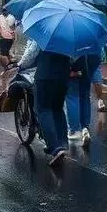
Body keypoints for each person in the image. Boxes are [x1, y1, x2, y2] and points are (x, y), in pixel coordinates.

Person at [17, 36, 73, 166]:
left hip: (46, 74)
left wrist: (20, 65)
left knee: (43, 109)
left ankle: (55, 148)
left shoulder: (45, 31)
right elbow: (74, 57)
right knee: (57, 109)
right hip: (63, 75)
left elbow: (32, 52)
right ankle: (62, 144)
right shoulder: (68, 35)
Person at [67, 50, 103, 146]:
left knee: (72, 97)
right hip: (88, 65)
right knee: (85, 96)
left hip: (74, 67)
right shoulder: (90, 38)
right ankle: (85, 127)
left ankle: (74, 130)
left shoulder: (68, 37)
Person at [0, 10, 17, 78]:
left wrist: (14, 36)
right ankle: (7, 68)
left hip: (10, 38)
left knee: (5, 53)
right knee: (4, 53)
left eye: (6, 10)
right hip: (2, 37)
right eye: (3, 10)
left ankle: (9, 67)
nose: (4, 12)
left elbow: (14, 28)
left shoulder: (12, 17)